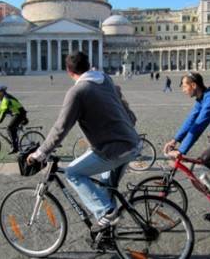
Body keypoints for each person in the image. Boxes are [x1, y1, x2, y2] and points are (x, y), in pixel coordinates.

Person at [27, 51, 141, 232]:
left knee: (73, 172)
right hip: (132, 141)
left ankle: (106, 211)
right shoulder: (105, 78)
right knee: (106, 188)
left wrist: (40, 153)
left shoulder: (77, 92)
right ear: (89, 65)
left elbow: (61, 128)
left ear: (68, 71)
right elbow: (119, 100)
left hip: (114, 148)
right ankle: (108, 235)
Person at [0, 85, 28, 154]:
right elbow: (1, 109)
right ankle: (15, 144)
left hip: (19, 114)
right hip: (16, 114)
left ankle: (15, 147)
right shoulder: (5, 98)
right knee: (12, 128)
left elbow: (4, 111)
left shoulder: (6, 99)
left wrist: (0, 120)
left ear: (1, 92)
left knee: (9, 128)